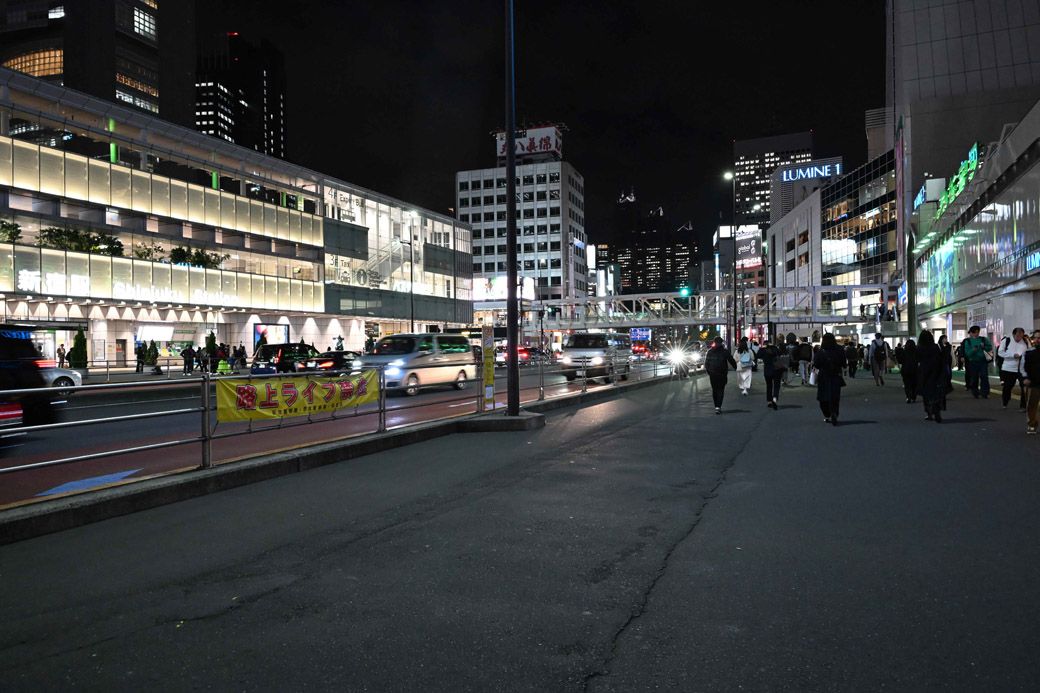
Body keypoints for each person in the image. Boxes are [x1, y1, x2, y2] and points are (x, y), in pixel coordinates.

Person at [813, 333, 847, 425]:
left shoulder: (821, 351)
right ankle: (834, 413)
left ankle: (827, 414)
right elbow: (844, 363)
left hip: (824, 376)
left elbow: (816, 364)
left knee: (823, 397)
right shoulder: (840, 349)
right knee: (835, 396)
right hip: (836, 375)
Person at [996, 327, 1029, 411]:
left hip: (1022, 369)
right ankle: (1005, 402)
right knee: (1008, 386)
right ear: (1013, 334)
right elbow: (1000, 352)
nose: (1019, 338)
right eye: (1017, 335)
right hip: (1008, 368)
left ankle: (1023, 406)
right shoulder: (1006, 341)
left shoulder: (1025, 341)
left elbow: (1030, 351)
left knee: (1024, 387)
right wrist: (1012, 355)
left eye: (1021, 336)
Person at [917, 331, 945, 423]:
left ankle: (929, 412)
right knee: (935, 391)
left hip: (924, 371)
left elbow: (918, 359)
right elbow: (940, 358)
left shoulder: (920, 347)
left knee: (926, 393)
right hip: (935, 371)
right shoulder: (935, 346)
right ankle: (936, 407)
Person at [703, 337, 736, 415]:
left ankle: (716, 406)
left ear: (714, 342)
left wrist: (709, 372)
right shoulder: (725, 352)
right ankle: (718, 407)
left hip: (713, 374)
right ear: (721, 343)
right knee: (721, 390)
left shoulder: (710, 352)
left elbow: (706, 363)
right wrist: (736, 368)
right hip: (722, 373)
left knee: (714, 390)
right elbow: (731, 360)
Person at [962, 325, 993, 399]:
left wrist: (984, 347)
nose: (977, 334)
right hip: (973, 362)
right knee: (974, 378)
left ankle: (985, 392)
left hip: (983, 361)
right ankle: (975, 392)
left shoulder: (983, 339)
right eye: (975, 332)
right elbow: (967, 353)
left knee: (984, 376)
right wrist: (973, 350)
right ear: (971, 333)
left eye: (978, 332)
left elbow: (990, 347)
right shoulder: (968, 341)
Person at [756, 337, 786, 410]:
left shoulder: (763, 350)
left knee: (769, 386)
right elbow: (782, 354)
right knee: (776, 386)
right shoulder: (776, 349)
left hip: (767, 371)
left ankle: (769, 401)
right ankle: (775, 399)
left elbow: (757, 355)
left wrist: (763, 348)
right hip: (777, 370)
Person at [1022, 329, 1040, 435]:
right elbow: (1022, 367)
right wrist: (1025, 377)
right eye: (1036, 338)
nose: (1038, 340)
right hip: (1033, 382)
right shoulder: (1028, 353)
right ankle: (1032, 425)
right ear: (1033, 339)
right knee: (1032, 405)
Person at [899, 338, 919, 403]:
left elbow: (900, 360)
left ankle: (908, 397)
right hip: (915, 370)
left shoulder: (904, 351)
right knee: (914, 384)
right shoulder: (916, 351)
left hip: (905, 370)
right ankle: (913, 397)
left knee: (907, 385)